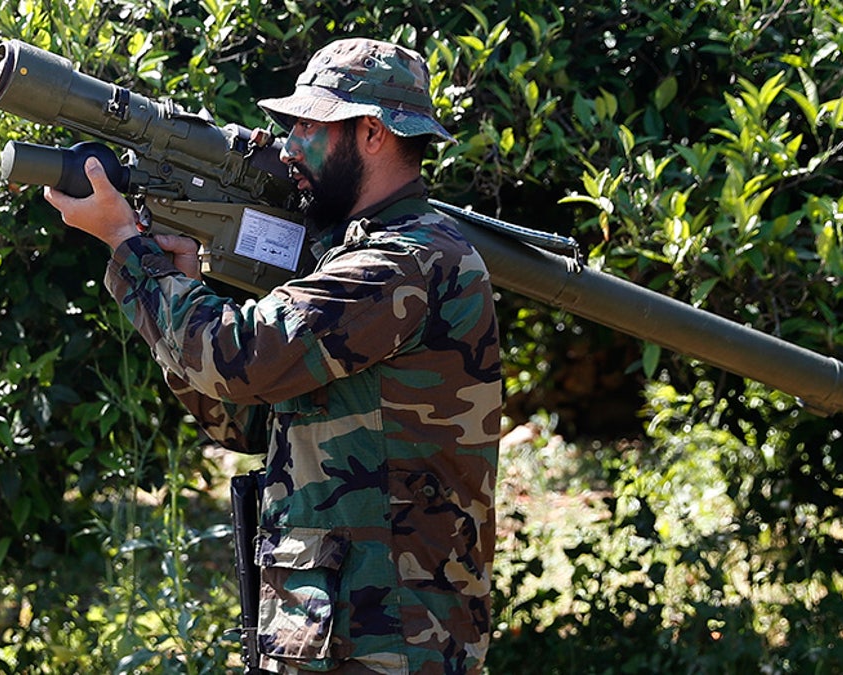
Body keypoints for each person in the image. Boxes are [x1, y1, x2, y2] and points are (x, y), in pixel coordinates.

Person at [45, 37, 502, 674]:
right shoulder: (359, 255)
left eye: (309, 126)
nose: (288, 146)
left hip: (391, 640)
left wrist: (129, 247)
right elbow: (249, 417)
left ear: (372, 133)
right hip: (345, 632)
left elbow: (242, 359)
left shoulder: (403, 260)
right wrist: (180, 287)